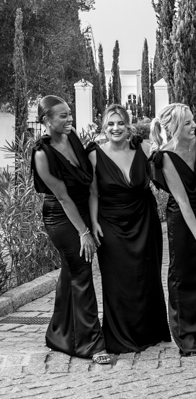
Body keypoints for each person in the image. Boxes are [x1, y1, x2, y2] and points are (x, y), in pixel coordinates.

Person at [31, 96, 109, 364]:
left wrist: (91, 220)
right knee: (81, 271)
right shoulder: (42, 154)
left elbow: (88, 183)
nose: (69, 119)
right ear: (46, 121)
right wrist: (83, 233)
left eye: (69, 114)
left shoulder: (72, 136)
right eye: (62, 116)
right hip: (62, 218)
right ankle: (91, 344)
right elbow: (63, 198)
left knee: (70, 272)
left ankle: (59, 335)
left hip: (82, 211)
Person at [87, 104, 170, 354]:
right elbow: (92, 192)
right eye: (111, 124)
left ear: (128, 126)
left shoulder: (143, 149)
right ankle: (121, 334)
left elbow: (167, 163)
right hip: (110, 223)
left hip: (145, 220)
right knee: (117, 278)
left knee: (146, 274)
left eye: (120, 123)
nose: (116, 128)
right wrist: (93, 223)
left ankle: (150, 331)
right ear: (104, 127)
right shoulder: (94, 154)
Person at [150, 103, 196, 356]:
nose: (194, 125)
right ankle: (186, 336)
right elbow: (183, 200)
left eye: (193, 120)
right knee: (183, 274)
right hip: (182, 218)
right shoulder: (165, 157)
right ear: (174, 127)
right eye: (187, 123)